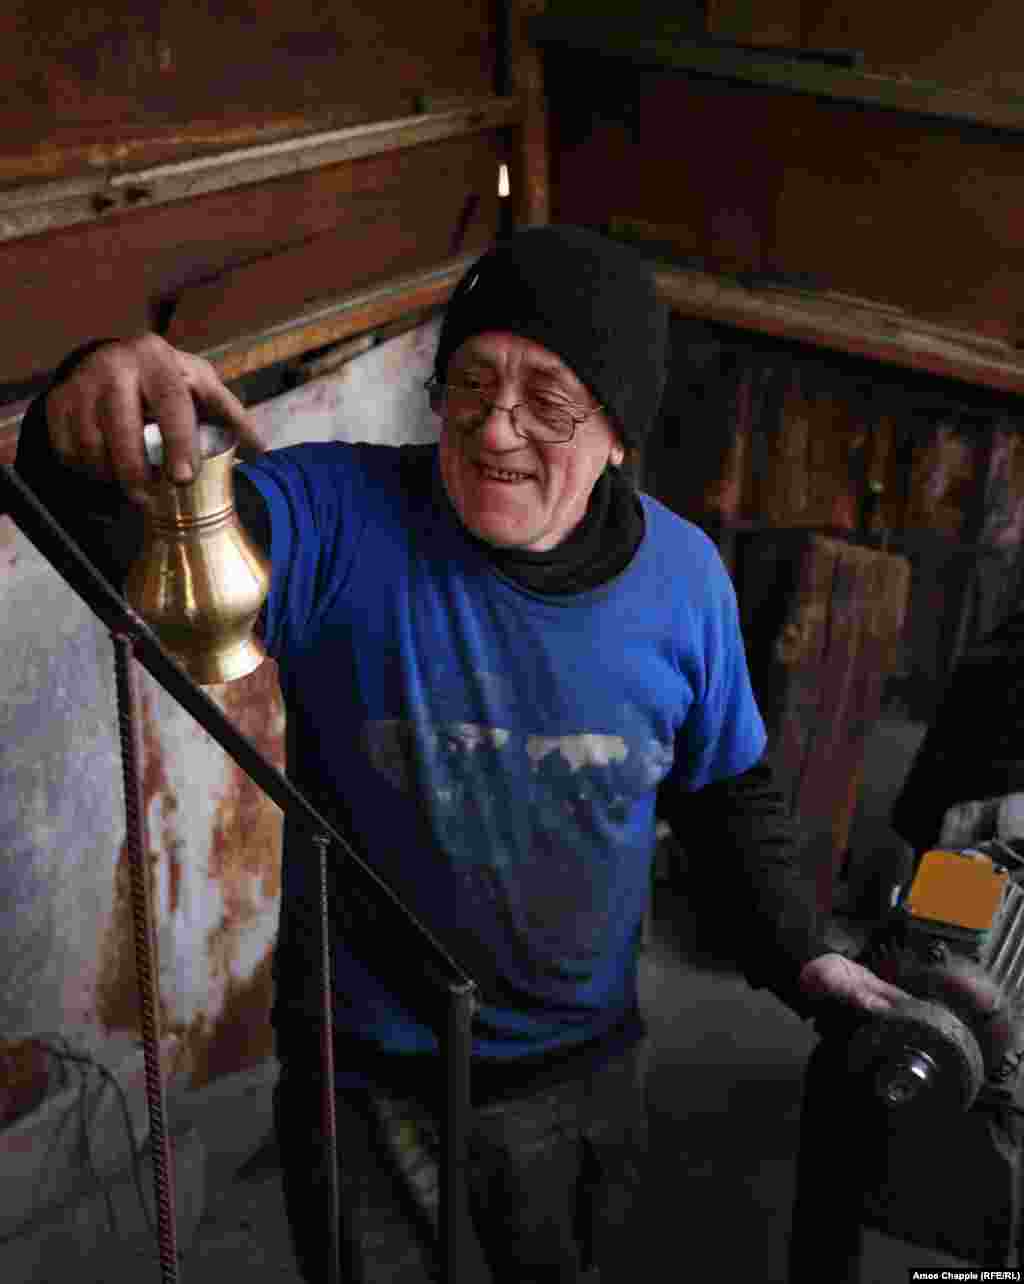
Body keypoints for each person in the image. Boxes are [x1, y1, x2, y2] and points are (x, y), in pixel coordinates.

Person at [16, 225, 907, 1282]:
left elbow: (725, 795)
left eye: (547, 399)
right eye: (472, 382)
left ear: (619, 432)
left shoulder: (683, 582)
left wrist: (804, 953)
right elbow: (145, 565)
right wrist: (77, 423)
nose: (495, 426)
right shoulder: (335, 517)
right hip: (362, 1074)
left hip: (575, 1069)